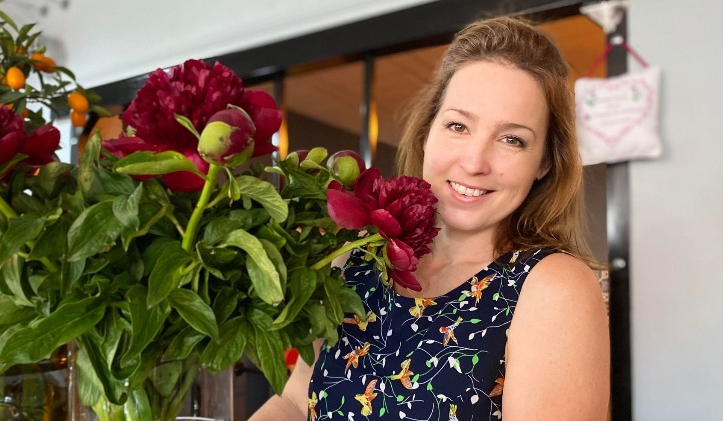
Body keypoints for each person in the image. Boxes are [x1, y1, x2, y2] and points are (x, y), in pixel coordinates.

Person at [250, 16, 610, 420]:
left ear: (544, 162)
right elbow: (296, 402)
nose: (474, 162)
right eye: (458, 125)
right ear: (426, 133)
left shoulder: (554, 287)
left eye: (512, 139)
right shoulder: (355, 258)